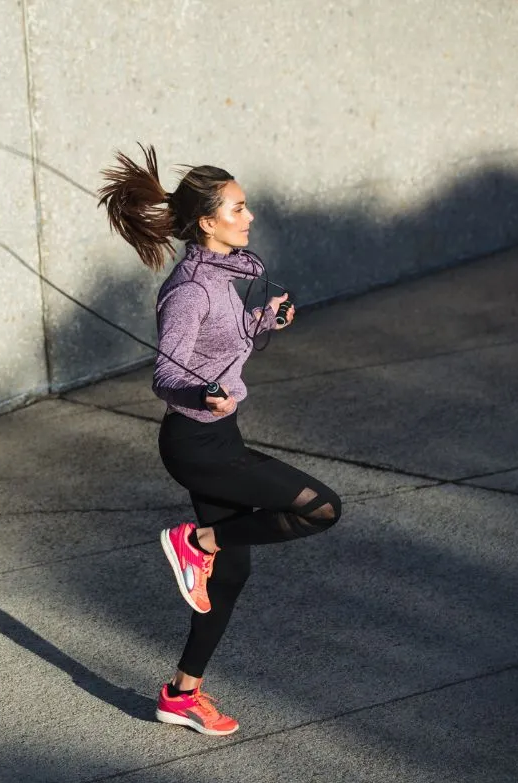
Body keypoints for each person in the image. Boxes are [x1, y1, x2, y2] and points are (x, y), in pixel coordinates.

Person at [98, 145, 343, 736]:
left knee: (231, 579)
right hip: (199, 445)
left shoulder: (222, 277)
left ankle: (182, 695)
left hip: (216, 436)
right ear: (208, 222)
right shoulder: (189, 290)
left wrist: (263, 321)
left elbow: (220, 341)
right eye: (238, 208)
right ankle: (197, 540)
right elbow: (168, 373)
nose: (249, 216)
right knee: (321, 507)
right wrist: (201, 393)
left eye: (246, 205)